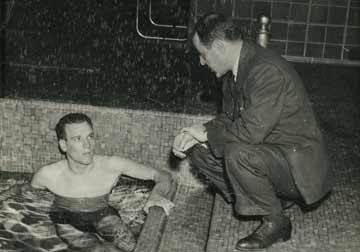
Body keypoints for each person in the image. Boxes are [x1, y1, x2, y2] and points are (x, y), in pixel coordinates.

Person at [172, 12, 332, 251]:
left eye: (202, 55)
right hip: (271, 156)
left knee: (238, 153)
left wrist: (206, 135)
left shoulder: (265, 70)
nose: (201, 62)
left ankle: (277, 223)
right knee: (199, 151)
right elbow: (228, 118)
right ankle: (260, 198)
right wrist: (198, 131)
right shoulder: (234, 71)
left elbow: (250, 132)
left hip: (296, 166)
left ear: (218, 46)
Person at [31, 113, 175, 252]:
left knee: (134, 247)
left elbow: (162, 175)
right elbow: (26, 199)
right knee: (98, 250)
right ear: (63, 145)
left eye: (90, 136)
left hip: (103, 214)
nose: (87, 145)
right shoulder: (47, 175)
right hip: (66, 219)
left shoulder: (111, 166)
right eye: (77, 139)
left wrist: (156, 196)